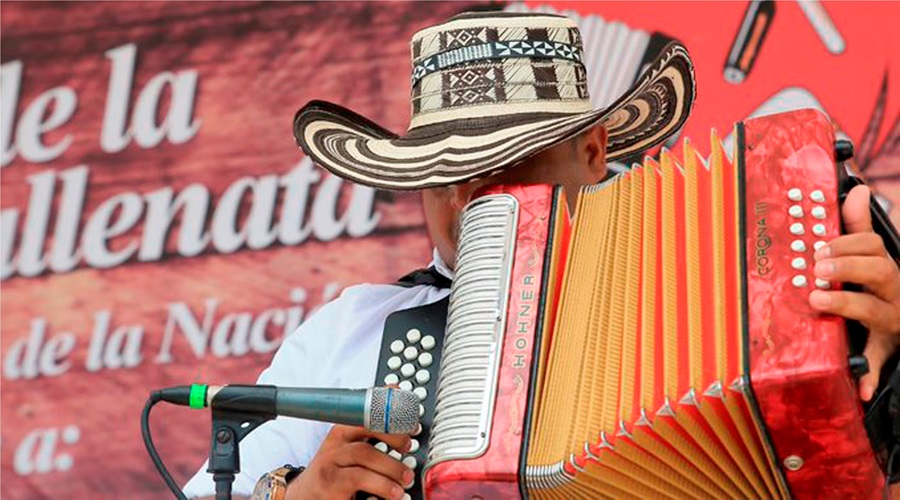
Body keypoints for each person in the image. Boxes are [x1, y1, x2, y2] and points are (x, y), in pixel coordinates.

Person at [183, 10, 900, 500]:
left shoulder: (732, 293)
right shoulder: (355, 330)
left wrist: (893, 374)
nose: (469, 203)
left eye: (503, 167)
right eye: (444, 177)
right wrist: (301, 491)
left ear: (592, 153)